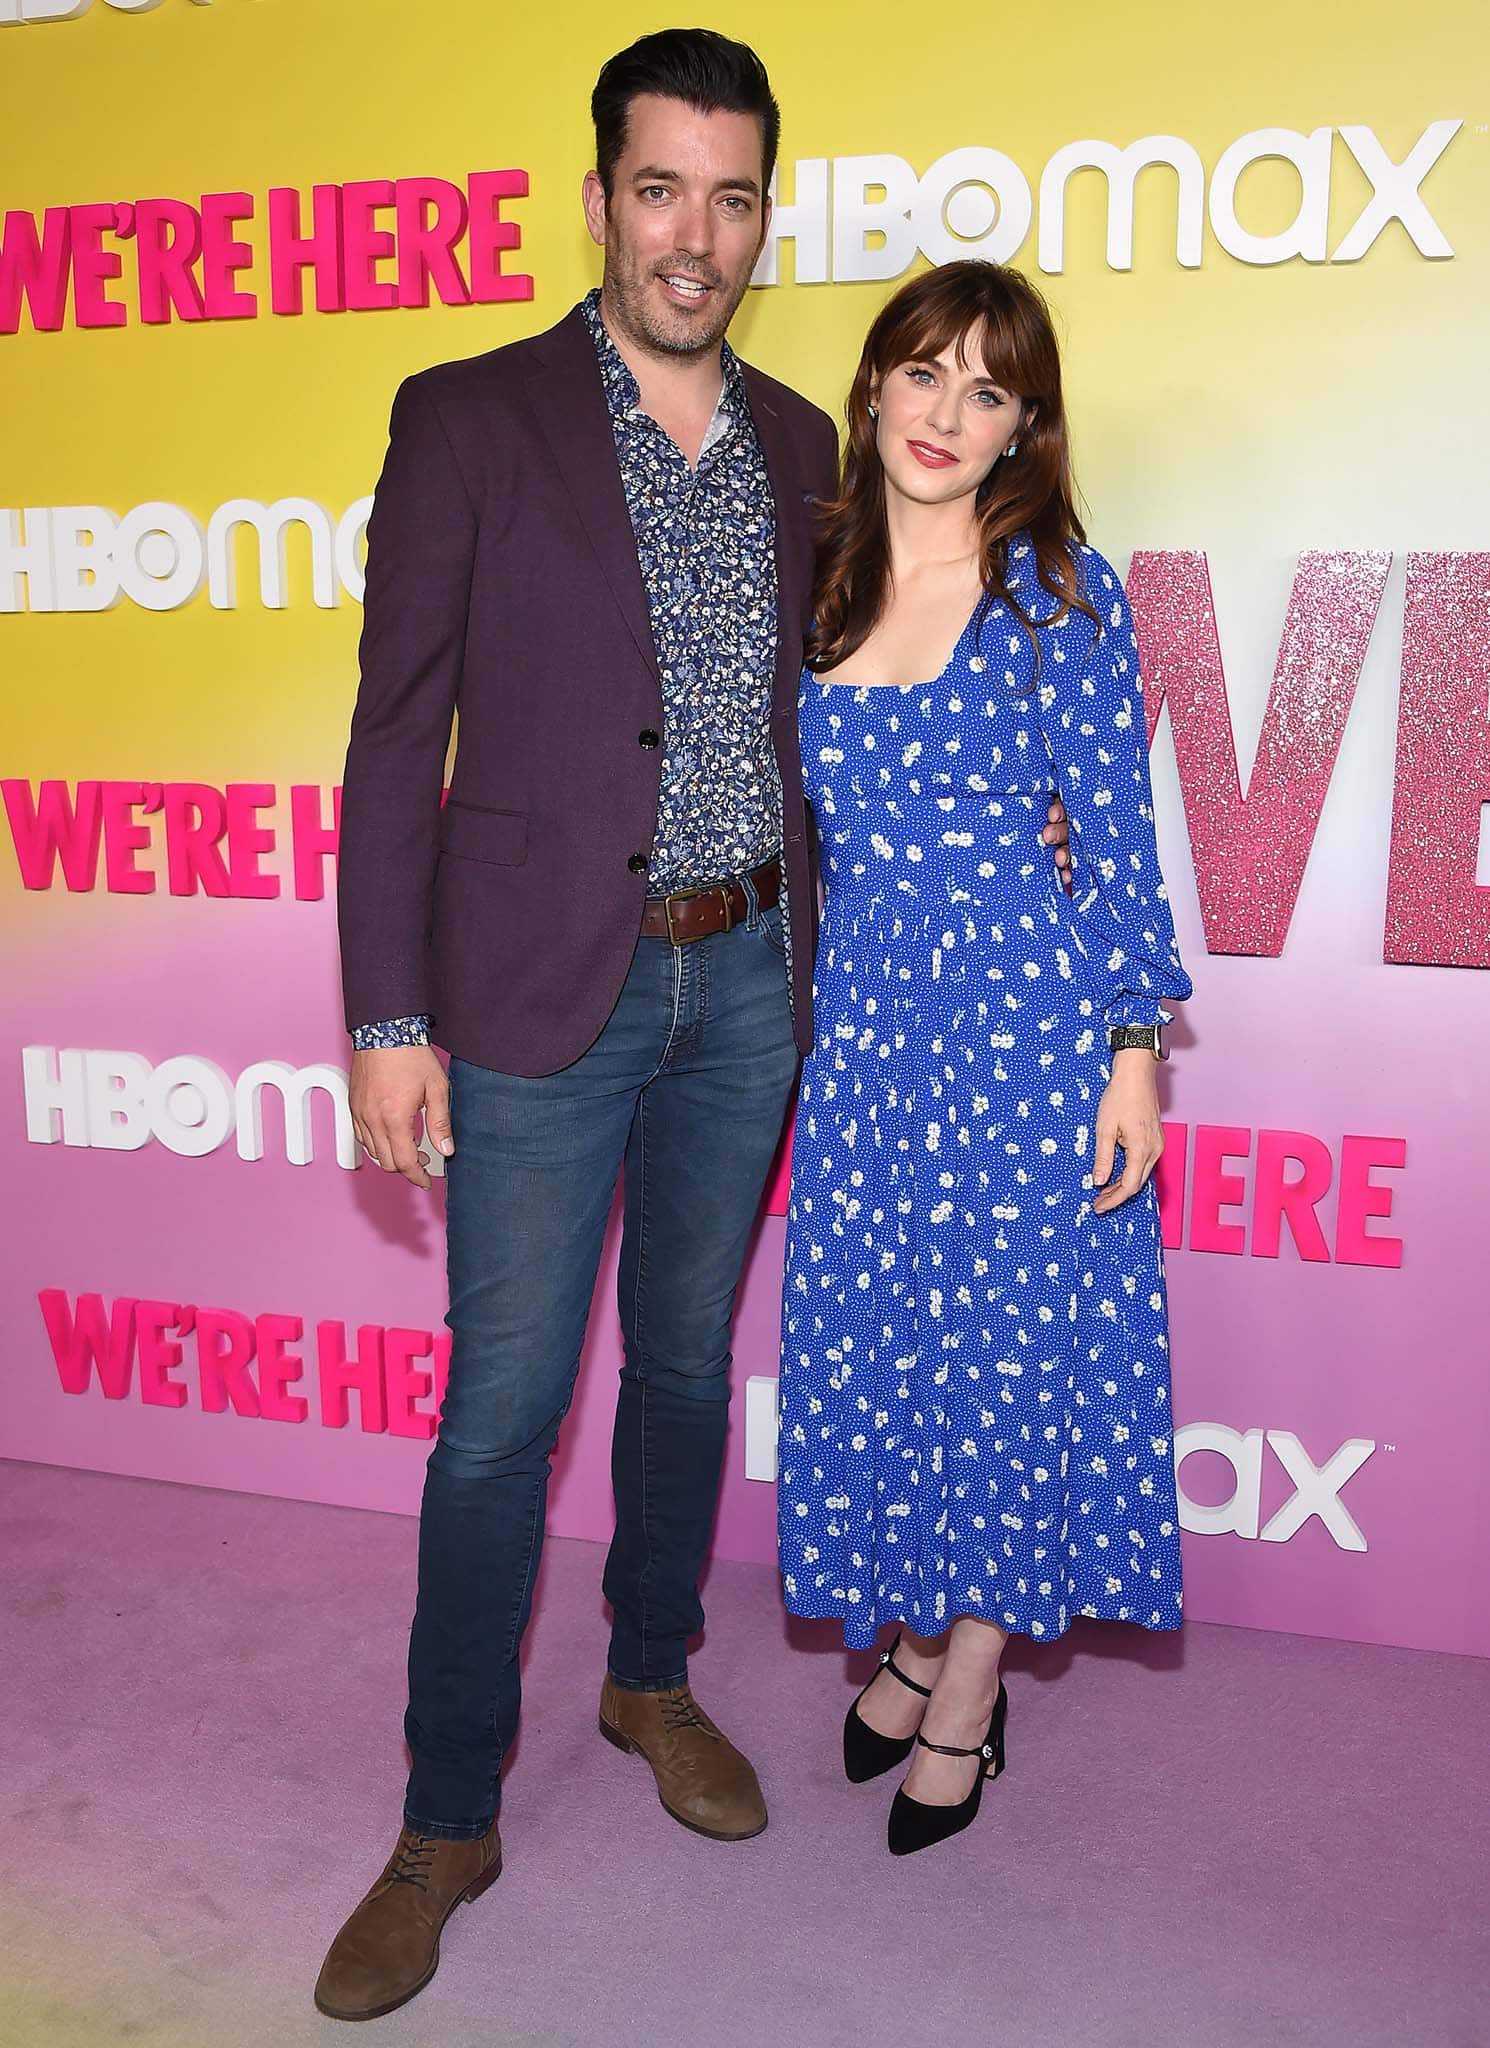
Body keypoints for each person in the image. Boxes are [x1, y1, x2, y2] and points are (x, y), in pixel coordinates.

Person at [319, 26, 1075, 2020]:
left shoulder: (816, 451)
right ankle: (443, 1810)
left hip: (751, 981)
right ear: (598, 199)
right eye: (660, 188)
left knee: (677, 1370)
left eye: (733, 196)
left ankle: (650, 1678)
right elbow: (398, 738)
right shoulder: (468, 415)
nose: (696, 232)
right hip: (531, 999)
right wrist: (383, 1012)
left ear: (765, 214)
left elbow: (912, 718)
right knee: (498, 1413)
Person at [778, 259, 1193, 1856]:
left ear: (1026, 426)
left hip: (1022, 1034)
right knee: (891, 1355)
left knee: (1007, 1368)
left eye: (989, 390)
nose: (947, 414)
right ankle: (910, 1635)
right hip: (872, 1043)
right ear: (874, 383)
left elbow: (1117, 845)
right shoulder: (816, 579)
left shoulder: (1060, 596)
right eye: (924, 373)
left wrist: (1132, 1048)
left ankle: (966, 1690)